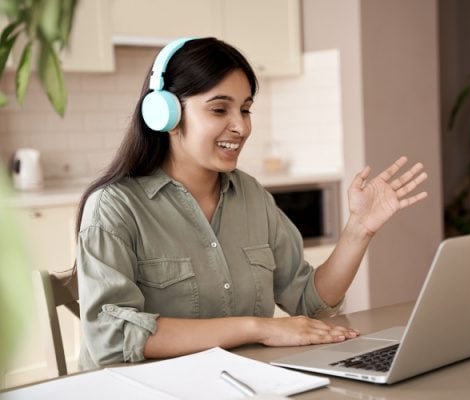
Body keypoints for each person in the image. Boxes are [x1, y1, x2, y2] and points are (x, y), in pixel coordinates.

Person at [75, 37, 428, 370]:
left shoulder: (251, 196)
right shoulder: (115, 206)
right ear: (164, 115)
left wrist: (358, 229)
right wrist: (258, 328)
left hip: (240, 381)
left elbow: (311, 304)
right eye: (219, 110)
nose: (240, 127)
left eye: (245, 110)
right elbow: (112, 335)